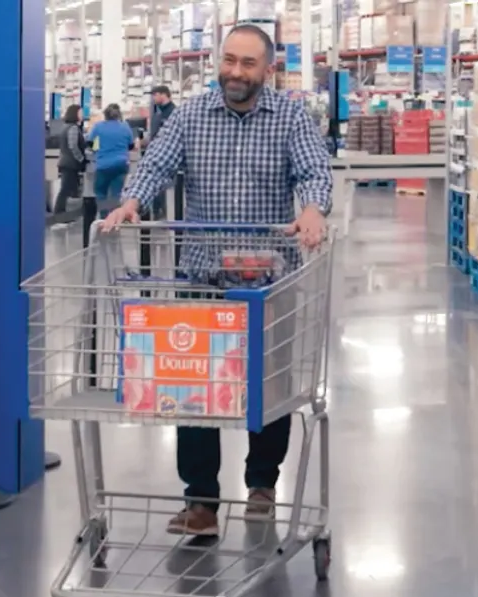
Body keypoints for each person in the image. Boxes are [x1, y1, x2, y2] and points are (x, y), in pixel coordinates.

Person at [101, 24, 332, 536]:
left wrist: (313, 208)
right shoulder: (190, 115)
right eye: (229, 60)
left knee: (268, 386)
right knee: (195, 388)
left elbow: (315, 169)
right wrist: (133, 200)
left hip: (267, 281)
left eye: (248, 63)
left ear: (267, 70)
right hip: (202, 277)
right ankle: (202, 500)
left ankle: (262, 485)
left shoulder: (290, 116)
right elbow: (156, 162)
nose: (235, 72)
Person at [87, 103, 134, 213]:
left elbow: (90, 143)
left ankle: (104, 219)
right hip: (121, 164)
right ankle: (114, 218)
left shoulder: (98, 126)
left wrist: (97, 148)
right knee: (116, 194)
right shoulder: (125, 126)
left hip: (103, 165)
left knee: (101, 193)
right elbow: (130, 145)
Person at [146, 85, 176, 219]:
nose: (153, 98)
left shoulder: (174, 113)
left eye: (155, 95)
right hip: (154, 155)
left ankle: (167, 212)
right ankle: (158, 211)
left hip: (169, 158)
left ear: (163, 94)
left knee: (166, 188)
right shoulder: (157, 113)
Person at [54, 104, 87, 213]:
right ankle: (60, 212)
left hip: (65, 162)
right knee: (67, 189)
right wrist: (82, 159)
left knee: (68, 189)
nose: (82, 115)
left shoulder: (65, 127)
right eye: (80, 113)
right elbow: (73, 146)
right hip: (70, 164)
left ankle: (64, 212)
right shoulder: (73, 128)